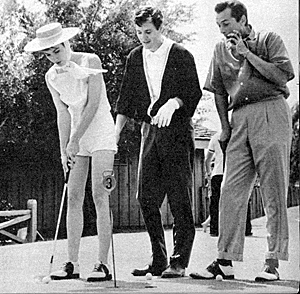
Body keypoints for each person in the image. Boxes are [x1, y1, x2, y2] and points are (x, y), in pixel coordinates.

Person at [190, 0, 294, 282]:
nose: (223, 30)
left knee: (273, 189)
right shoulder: (219, 50)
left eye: (226, 24)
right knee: (229, 190)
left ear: (243, 20)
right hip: (238, 120)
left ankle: (272, 261)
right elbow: (219, 91)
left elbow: (283, 75)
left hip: (271, 110)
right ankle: (225, 260)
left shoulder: (269, 39)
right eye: (218, 25)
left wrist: (246, 53)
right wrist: (224, 128)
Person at [24, 23, 117, 282]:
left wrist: (75, 139)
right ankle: (72, 263)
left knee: (100, 194)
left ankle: (102, 264)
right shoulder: (51, 76)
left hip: (100, 132)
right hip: (77, 135)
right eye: (48, 54)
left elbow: (94, 103)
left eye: (57, 51)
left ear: (66, 43)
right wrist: (64, 148)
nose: (55, 58)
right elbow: (62, 113)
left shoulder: (91, 60)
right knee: (74, 196)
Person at [115, 7, 202, 278]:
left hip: (176, 131)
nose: (144, 37)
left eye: (149, 32)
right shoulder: (134, 57)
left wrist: (175, 103)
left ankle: (179, 261)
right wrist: (115, 136)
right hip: (150, 130)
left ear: (160, 28)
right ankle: (158, 259)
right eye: (139, 32)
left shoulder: (180, 54)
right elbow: (126, 99)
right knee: (146, 197)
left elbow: (193, 92)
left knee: (178, 196)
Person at [203, 131, 252, 237]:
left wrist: (209, 173)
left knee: (216, 202)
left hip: (218, 173)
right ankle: (246, 228)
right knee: (242, 199)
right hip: (234, 172)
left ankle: (215, 229)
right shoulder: (238, 135)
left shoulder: (216, 137)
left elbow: (207, 159)